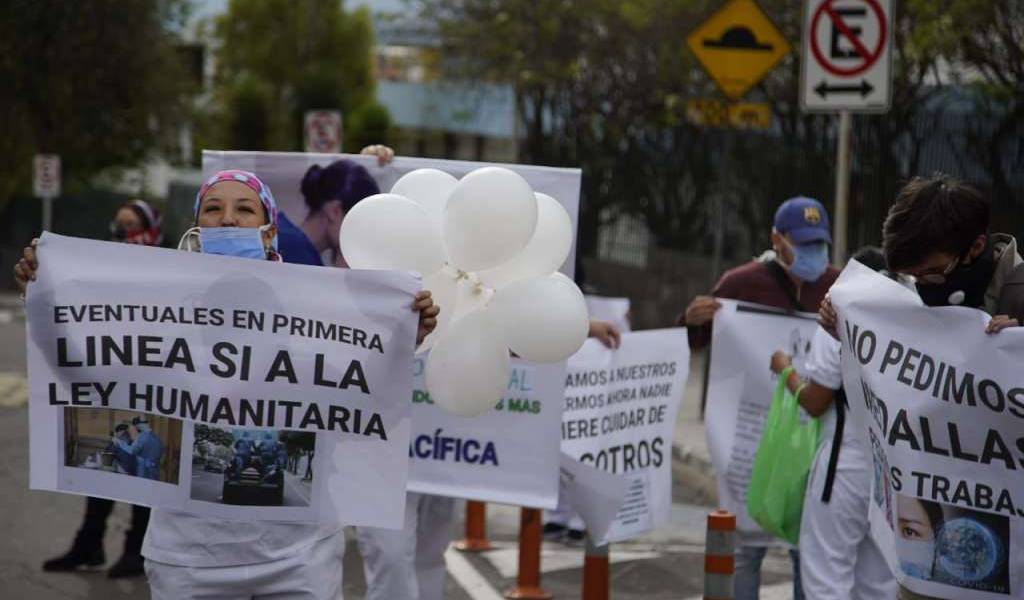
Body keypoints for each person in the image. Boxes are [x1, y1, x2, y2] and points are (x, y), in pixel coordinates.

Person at [15, 168, 439, 599]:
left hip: (299, 556)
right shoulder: (155, 314)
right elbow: (86, 376)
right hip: (190, 559)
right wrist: (44, 300)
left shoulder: (317, 313)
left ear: (269, 232)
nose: (229, 219)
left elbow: (357, 398)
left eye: (245, 209)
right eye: (214, 208)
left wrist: (404, 340)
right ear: (196, 229)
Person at [817, 174, 1024, 600]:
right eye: (909, 277)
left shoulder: (1018, 295)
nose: (920, 285)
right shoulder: (912, 289)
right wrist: (849, 335)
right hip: (925, 569)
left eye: (929, 274)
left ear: (975, 248)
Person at [680, 196, 841, 600]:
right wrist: (691, 321)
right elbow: (698, 342)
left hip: (811, 439)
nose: (813, 253)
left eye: (819, 243)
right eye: (802, 243)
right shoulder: (741, 283)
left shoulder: (838, 287)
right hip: (753, 438)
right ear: (776, 239)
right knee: (746, 549)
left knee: (808, 552)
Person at [39, 199, 164, 578]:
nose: (122, 233)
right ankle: (89, 544)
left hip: (151, 384)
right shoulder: (102, 266)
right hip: (109, 380)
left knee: (144, 472)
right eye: (118, 225)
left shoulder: (169, 268)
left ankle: (136, 550)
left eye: (130, 226)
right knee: (103, 465)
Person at [769, 246, 896, 600]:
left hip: (843, 464)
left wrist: (786, 371)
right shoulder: (904, 329)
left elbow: (815, 402)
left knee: (827, 577)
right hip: (889, 474)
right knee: (878, 583)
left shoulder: (838, 320)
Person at [115, 416, 163, 480]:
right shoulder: (157, 438)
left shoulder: (142, 437)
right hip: (154, 470)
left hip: (144, 471)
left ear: (139, 425)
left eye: (136, 426)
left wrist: (120, 443)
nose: (136, 428)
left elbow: (132, 451)